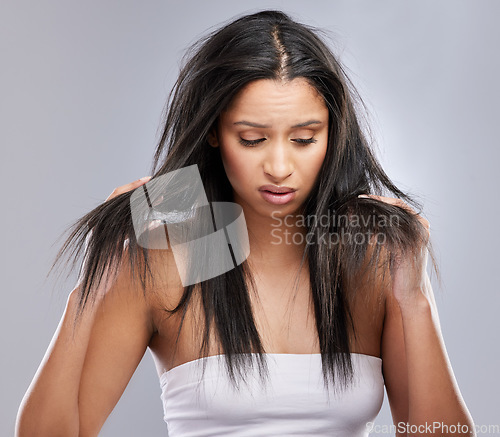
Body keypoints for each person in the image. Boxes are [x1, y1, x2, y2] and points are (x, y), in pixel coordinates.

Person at [16, 9, 475, 437]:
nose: (279, 166)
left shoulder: (371, 257)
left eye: (304, 138)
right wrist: (95, 278)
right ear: (214, 130)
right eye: (252, 139)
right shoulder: (166, 258)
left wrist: (413, 297)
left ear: (332, 133)